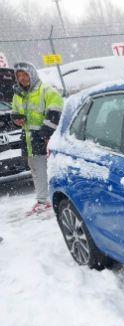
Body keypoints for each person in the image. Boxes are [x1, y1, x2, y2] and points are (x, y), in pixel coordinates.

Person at [11, 61, 63, 214]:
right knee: (36, 169)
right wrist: (16, 119)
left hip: (46, 137)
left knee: (50, 169)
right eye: (19, 75)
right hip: (28, 138)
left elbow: (56, 112)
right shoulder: (18, 94)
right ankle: (43, 199)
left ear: (32, 74)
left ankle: (47, 199)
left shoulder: (46, 90)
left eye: (25, 74)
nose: (22, 78)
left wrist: (46, 134)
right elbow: (14, 113)